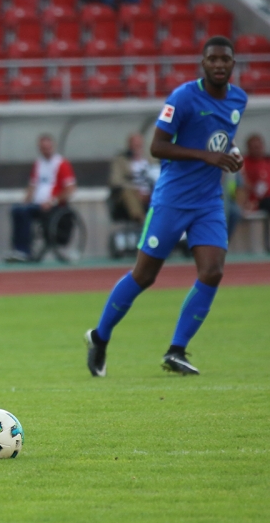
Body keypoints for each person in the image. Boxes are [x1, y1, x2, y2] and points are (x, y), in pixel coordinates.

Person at [85, 36, 247, 377]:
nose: (219, 64)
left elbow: (219, 135)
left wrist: (232, 154)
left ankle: (176, 351)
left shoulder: (238, 99)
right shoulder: (183, 97)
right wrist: (206, 156)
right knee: (144, 275)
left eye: (225, 59)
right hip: (172, 199)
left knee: (213, 271)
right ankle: (99, 337)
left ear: (233, 64)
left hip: (208, 201)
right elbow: (157, 147)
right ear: (203, 63)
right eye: (213, 59)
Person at [6, 134, 77, 262]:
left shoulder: (62, 164)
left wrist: (52, 201)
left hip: (54, 206)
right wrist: (25, 201)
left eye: (48, 147)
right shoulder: (38, 164)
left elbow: (70, 189)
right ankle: (18, 249)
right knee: (17, 209)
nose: (46, 150)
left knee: (24, 212)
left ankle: (24, 250)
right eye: (43, 148)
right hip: (37, 205)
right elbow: (32, 187)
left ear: (53, 146)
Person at [108, 133, 156, 223]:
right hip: (131, 193)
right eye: (134, 144)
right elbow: (115, 181)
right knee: (128, 192)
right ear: (129, 145)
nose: (137, 147)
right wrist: (136, 189)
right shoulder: (121, 160)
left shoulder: (151, 160)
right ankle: (141, 219)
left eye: (139, 144)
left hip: (151, 191)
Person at [240, 133, 270, 215]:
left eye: (258, 147)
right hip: (253, 201)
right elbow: (242, 184)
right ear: (248, 148)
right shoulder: (243, 163)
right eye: (254, 148)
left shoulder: (267, 162)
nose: (257, 150)